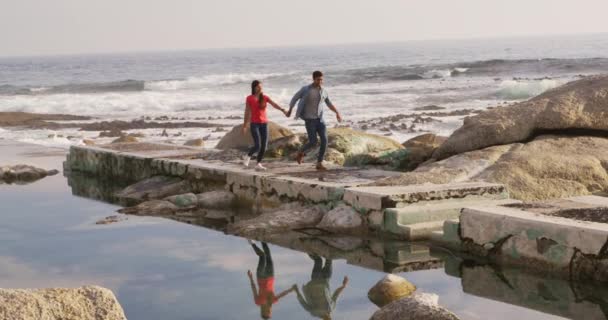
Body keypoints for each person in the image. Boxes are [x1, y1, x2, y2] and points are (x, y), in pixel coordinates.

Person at [287, 71, 342, 171]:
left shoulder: (324, 91)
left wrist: (337, 113)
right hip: (309, 120)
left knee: (325, 141)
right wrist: (290, 109)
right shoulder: (305, 89)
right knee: (313, 142)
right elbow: (294, 98)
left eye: (321, 79)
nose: (320, 81)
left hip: (320, 120)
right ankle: (301, 152)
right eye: (318, 79)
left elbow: (329, 103)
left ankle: (319, 163)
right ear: (313, 79)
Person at [242, 80, 288, 170]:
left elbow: (274, 104)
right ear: (254, 88)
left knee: (264, 146)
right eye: (258, 87)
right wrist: (245, 125)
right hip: (254, 124)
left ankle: (258, 163)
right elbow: (247, 112)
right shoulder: (249, 98)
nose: (260, 88)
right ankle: (247, 156)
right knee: (258, 145)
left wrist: (282, 110)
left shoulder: (265, 97)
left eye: (261, 87)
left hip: (264, 124)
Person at [247, 240, 297, 319]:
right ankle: (262, 239)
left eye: (269, 312)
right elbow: (282, 294)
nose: (270, 310)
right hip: (270, 276)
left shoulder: (258, 302)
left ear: (264, 311)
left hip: (261, 277)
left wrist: (250, 277)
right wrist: (291, 289)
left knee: (262, 256)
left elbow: (254, 289)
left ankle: (252, 243)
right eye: (271, 312)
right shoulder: (273, 301)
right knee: (268, 255)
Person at [294, 254, 349, 320]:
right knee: (329, 259)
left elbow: (304, 304)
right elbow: (336, 294)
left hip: (315, 280)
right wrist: (344, 286)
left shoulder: (315, 312)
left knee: (318, 260)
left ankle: (307, 247)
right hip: (325, 279)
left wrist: (297, 291)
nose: (328, 318)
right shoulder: (331, 307)